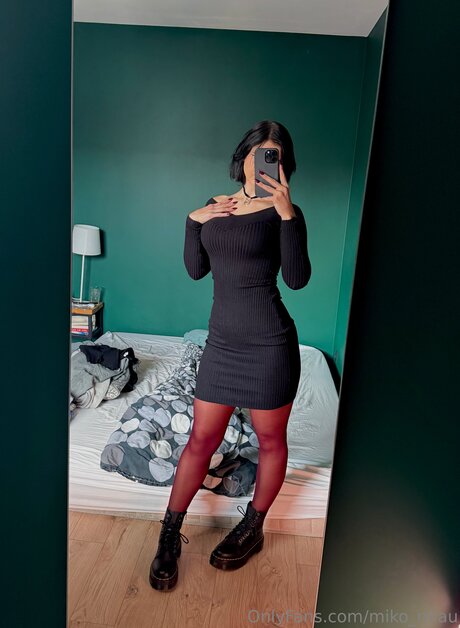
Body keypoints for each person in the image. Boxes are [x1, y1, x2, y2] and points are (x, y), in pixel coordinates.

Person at [149, 120, 311, 591]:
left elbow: (297, 279)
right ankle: (169, 534)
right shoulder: (218, 206)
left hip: (270, 345)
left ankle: (253, 527)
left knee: (270, 441)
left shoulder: (286, 211)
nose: (266, 162)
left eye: (276, 156)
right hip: (221, 346)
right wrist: (193, 221)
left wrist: (287, 215)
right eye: (260, 153)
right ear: (243, 157)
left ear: (283, 164)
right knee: (201, 439)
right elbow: (195, 270)